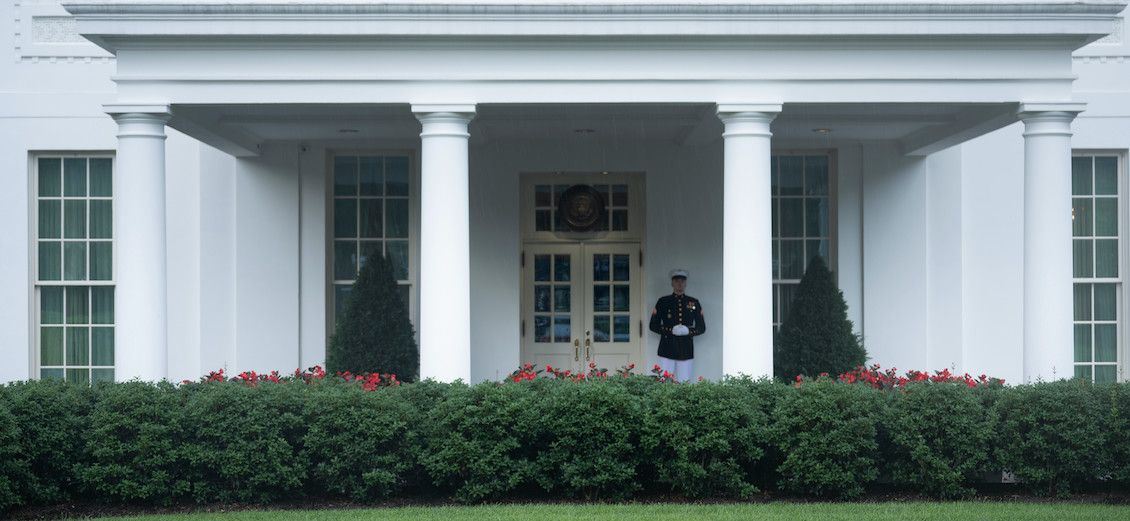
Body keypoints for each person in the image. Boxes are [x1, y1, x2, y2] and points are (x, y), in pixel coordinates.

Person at [649, 268, 705, 382]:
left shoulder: (693, 302)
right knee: (664, 381)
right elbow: (653, 325)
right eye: (677, 281)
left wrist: (688, 331)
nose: (680, 284)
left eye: (682, 281)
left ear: (686, 283)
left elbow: (702, 327)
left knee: (684, 382)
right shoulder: (663, 301)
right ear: (672, 283)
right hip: (667, 347)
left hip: (686, 348)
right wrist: (670, 330)